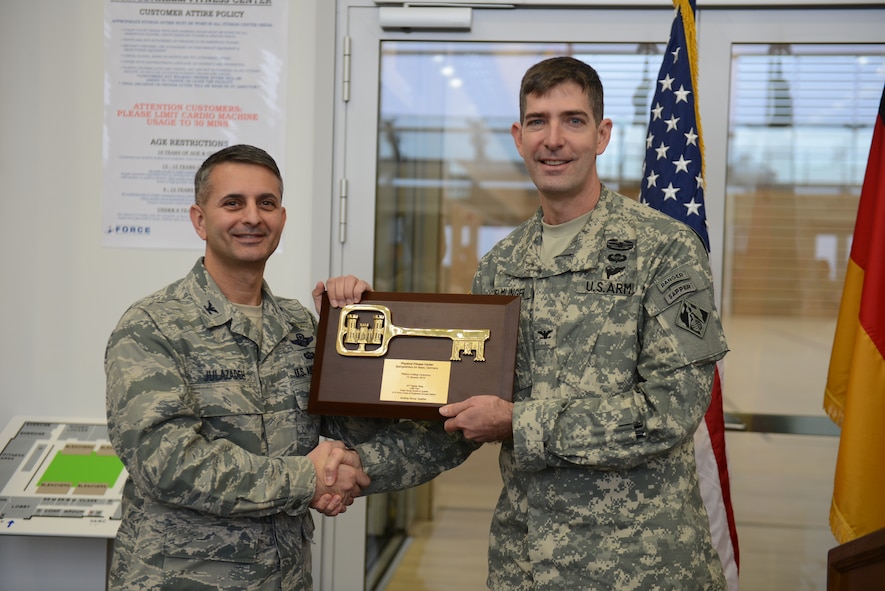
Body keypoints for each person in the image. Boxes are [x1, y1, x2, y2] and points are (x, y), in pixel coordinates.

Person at [339, 56, 730, 589]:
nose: (554, 139)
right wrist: (360, 466)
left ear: (602, 135)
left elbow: (672, 409)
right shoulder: (500, 266)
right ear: (518, 137)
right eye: (539, 122)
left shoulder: (664, 249)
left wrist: (518, 423)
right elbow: (459, 419)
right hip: (526, 563)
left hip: (641, 567)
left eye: (573, 120)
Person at [105, 144, 474, 591]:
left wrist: (353, 341)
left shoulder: (299, 324)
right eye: (232, 203)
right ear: (199, 219)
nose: (252, 218)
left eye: (267, 203)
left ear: (282, 216)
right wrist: (307, 478)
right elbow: (166, 464)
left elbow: (361, 432)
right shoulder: (152, 327)